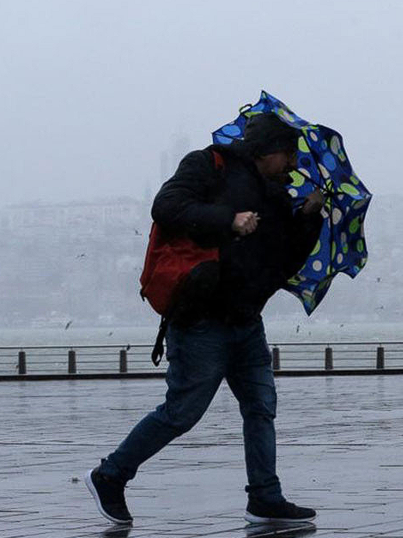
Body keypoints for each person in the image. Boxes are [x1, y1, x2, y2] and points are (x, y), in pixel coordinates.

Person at [85, 113, 324, 525]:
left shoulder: (278, 197)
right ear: (267, 150)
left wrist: (307, 218)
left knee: (261, 406)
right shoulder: (207, 165)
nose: (293, 164)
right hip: (201, 318)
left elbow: (285, 263)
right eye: (288, 154)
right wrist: (228, 220)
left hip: (247, 321)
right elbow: (166, 207)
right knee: (183, 411)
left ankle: (265, 497)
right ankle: (111, 474)